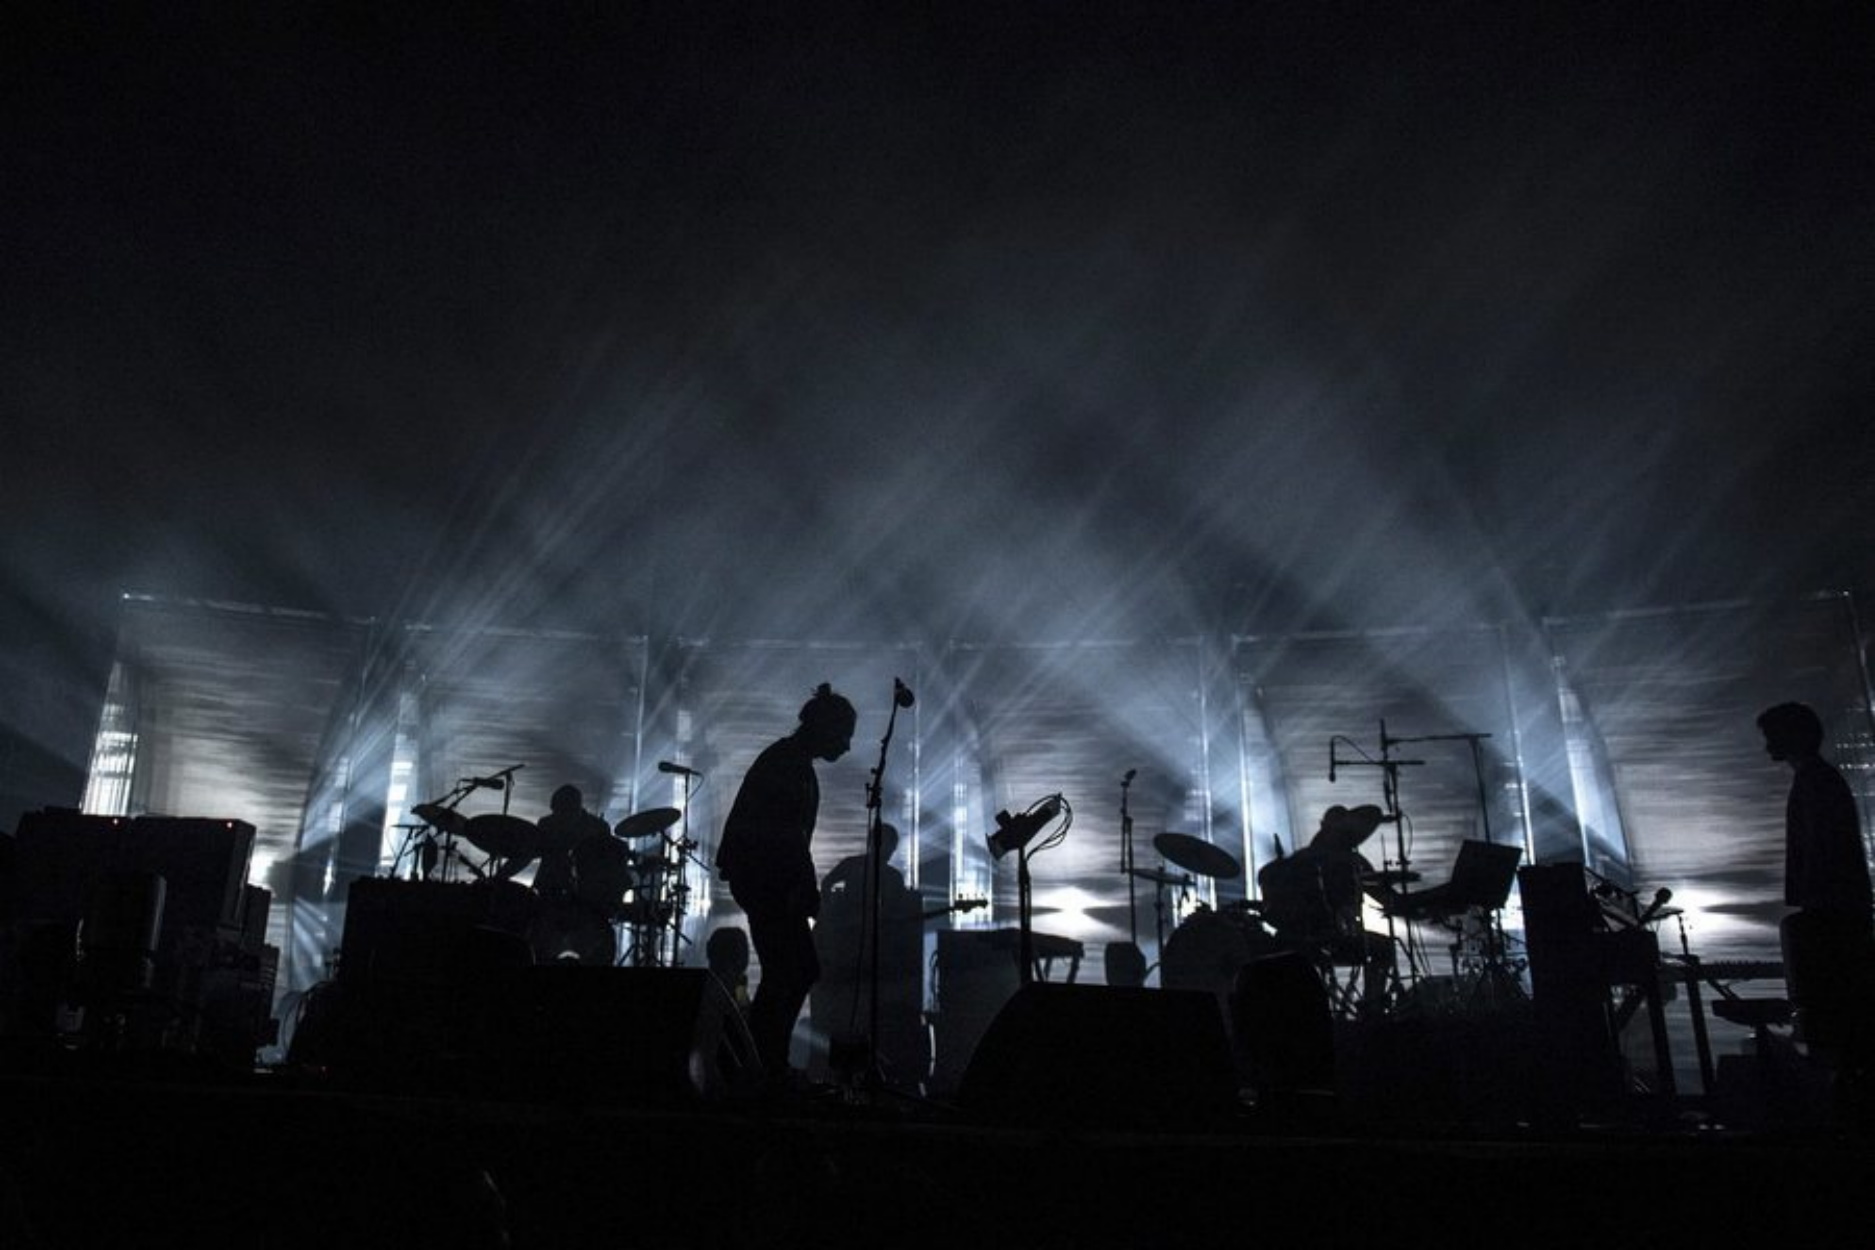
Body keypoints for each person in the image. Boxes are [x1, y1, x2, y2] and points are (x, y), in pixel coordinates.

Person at [715, 682, 856, 1083]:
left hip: (765, 882)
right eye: (843, 735)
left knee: (787, 970)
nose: (846, 746)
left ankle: (760, 1060)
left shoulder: (788, 760)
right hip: (769, 884)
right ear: (825, 729)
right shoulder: (789, 766)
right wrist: (804, 890)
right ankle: (761, 1060)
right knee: (795, 970)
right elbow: (787, 838)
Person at [1757, 702, 1873, 1076]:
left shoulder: (1814, 782)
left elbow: (1823, 853)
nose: (1766, 746)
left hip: (1832, 918)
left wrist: (1816, 908)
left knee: (1836, 1024)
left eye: (1771, 737)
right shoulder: (1819, 778)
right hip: (1838, 914)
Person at [812, 822, 928, 1087]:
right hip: (855, 956)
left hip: (862, 956)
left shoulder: (861, 868)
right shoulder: (882, 874)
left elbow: (829, 885)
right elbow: (828, 886)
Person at [1257, 804, 1395, 1010]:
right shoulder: (1351, 861)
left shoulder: (1296, 860)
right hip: (1334, 940)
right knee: (1383, 948)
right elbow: (1388, 900)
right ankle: (1373, 1009)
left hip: (1290, 942)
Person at [527, 784, 619, 965]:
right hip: (554, 889)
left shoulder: (597, 827)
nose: (558, 816)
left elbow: (607, 863)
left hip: (584, 895)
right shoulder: (548, 823)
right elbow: (531, 851)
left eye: (561, 812)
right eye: (556, 813)